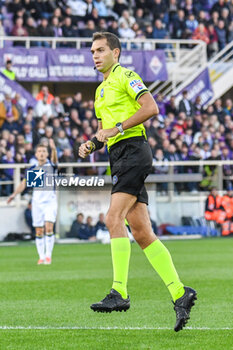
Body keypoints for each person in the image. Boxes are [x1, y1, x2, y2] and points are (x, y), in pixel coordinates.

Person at [79, 31, 197, 332]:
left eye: (101, 50)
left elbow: (150, 107)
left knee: (112, 217)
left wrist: (117, 128)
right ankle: (180, 292)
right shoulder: (100, 91)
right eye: (93, 51)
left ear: (115, 53)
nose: (95, 55)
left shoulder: (125, 76)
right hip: (119, 156)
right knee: (143, 233)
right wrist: (91, 144)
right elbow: (102, 132)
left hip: (133, 150)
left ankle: (119, 291)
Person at [7, 139, 58, 265]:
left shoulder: (51, 166)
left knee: (49, 227)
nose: (41, 153)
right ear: (36, 154)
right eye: (39, 151)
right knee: (39, 230)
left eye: (44, 151)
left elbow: (55, 160)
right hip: (37, 203)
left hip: (50, 202)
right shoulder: (33, 168)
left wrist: (54, 149)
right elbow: (23, 184)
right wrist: (13, 195)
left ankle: (48, 256)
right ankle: (41, 257)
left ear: (47, 153)